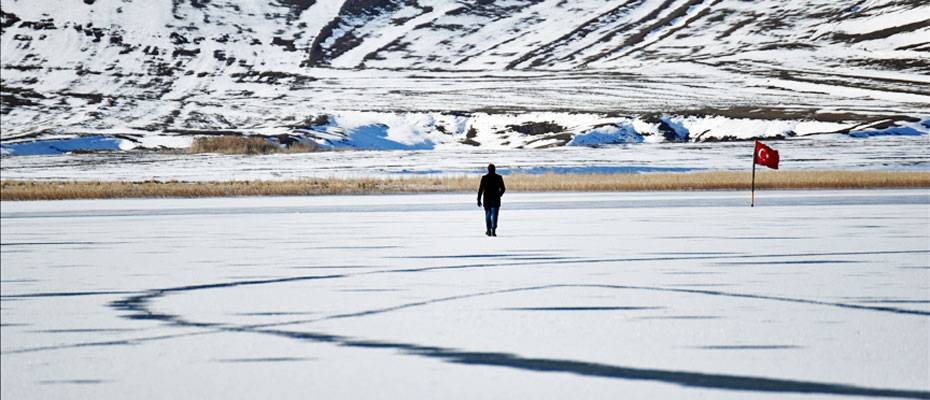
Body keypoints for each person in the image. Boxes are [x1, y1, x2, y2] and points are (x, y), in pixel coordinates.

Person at [477, 163, 505, 236]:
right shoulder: (499, 177)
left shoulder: (484, 178)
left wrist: (478, 200)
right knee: (494, 216)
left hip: (487, 200)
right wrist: (499, 194)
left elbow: (480, 190)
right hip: (495, 200)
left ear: (488, 169)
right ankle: (493, 230)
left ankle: (489, 230)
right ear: (495, 169)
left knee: (488, 215)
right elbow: (503, 189)